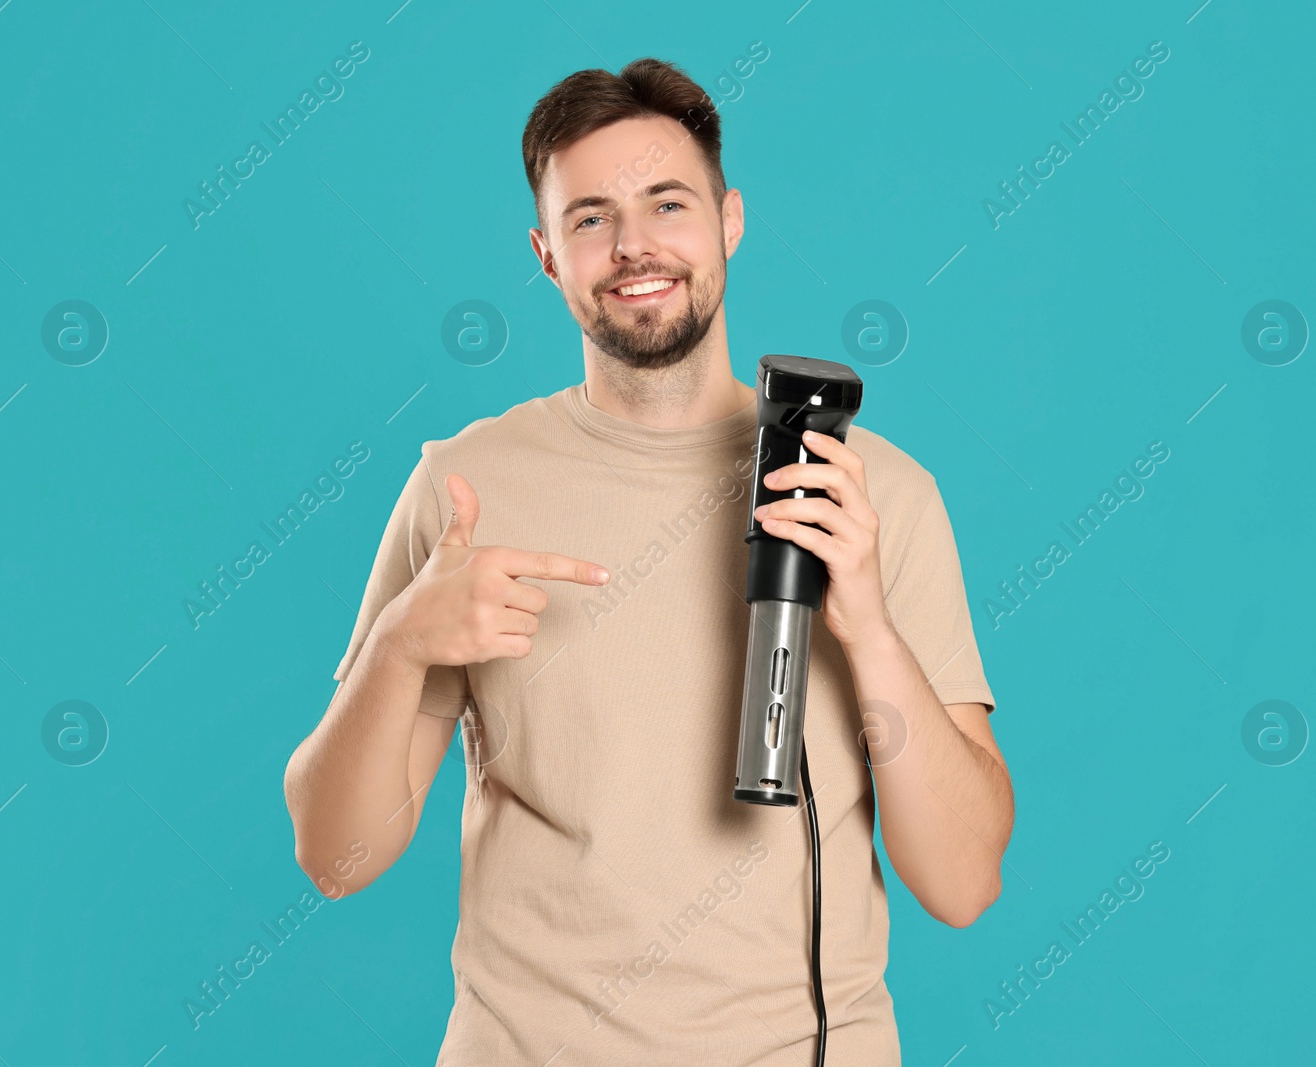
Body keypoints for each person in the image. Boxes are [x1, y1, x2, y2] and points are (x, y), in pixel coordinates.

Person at [283, 56, 1014, 1065]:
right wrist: (400, 646)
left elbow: (964, 882)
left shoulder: (873, 493)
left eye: (666, 203)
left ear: (728, 221)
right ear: (546, 254)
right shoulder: (464, 487)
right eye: (590, 217)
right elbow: (334, 856)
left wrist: (869, 629)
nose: (632, 246)